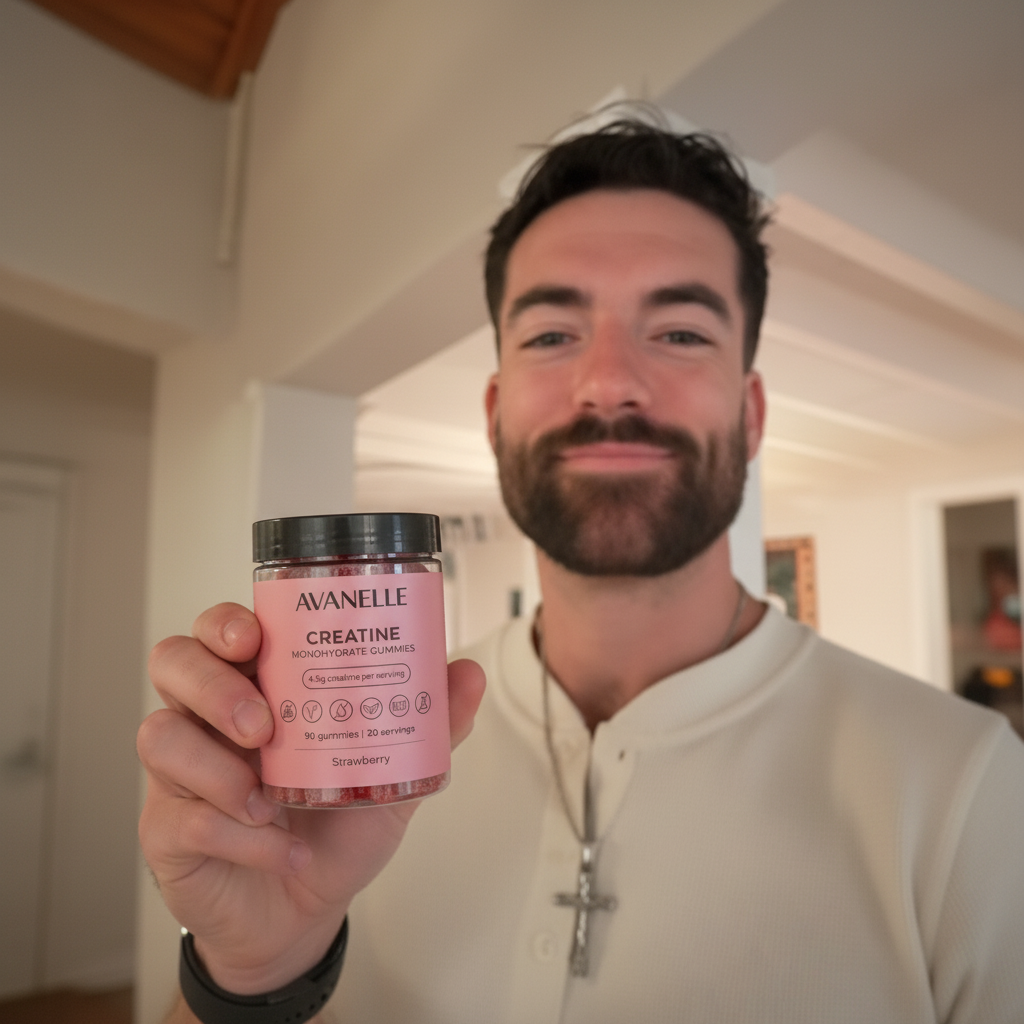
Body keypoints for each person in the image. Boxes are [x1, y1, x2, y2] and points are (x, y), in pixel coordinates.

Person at [138, 119, 1024, 1024]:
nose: (607, 382)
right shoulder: (353, 754)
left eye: (679, 332)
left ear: (752, 416)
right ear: (493, 415)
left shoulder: (968, 791)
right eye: (553, 335)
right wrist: (250, 975)